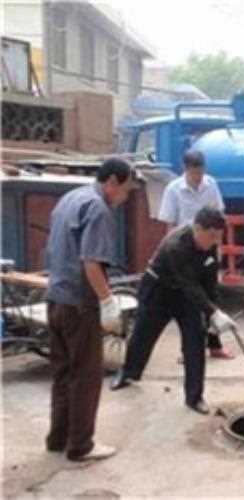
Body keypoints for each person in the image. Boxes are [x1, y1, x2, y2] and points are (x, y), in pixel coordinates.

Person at [44, 157, 137, 461]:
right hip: (79, 305)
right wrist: (107, 301)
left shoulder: (70, 198)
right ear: (111, 182)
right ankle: (81, 445)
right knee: (85, 376)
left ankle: (58, 438)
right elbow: (91, 262)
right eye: (125, 191)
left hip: (55, 299)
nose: (124, 200)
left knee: (62, 373)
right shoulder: (98, 208)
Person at [110, 206, 238, 415]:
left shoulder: (211, 246)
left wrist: (213, 314)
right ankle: (127, 372)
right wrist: (212, 311)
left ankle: (194, 397)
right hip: (159, 290)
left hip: (186, 296)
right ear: (197, 228)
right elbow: (190, 284)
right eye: (212, 236)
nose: (215, 242)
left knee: (195, 342)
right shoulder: (175, 245)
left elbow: (208, 281)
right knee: (143, 335)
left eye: (218, 237)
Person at [158, 150, 234, 360]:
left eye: (201, 172)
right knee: (189, 301)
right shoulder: (173, 189)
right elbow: (170, 226)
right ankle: (190, 350)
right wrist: (170, 257)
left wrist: (217, 248)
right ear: (186, 169)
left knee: (212, 296)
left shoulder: (211, 185)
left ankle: (215, 346)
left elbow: (220, 216)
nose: (198, 177)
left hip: (208, 249)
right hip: (184, 252)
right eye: (194, 173)